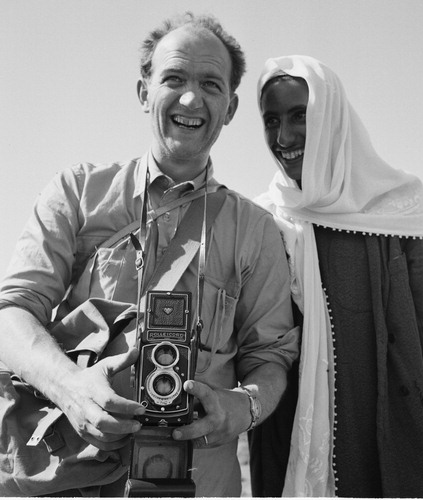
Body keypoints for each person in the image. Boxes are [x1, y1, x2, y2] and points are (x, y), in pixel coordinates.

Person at [0, 14, 299, 497]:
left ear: (231, 107)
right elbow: (12, 313)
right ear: (144, 93)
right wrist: (71, 390)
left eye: (210, 84)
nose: (190, 98)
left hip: (200, 480)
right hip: (69, 474)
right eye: (173, 79)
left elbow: (272, 356)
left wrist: (240, 409)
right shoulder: (77, 192)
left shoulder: (255, 230)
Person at [249, 55, 423, 498]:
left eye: (299, 116)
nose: (283, 137)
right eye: (271, 121)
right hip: (286, 440)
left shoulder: (400, 211)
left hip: (385, 435)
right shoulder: (264, 219)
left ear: (330, 116)